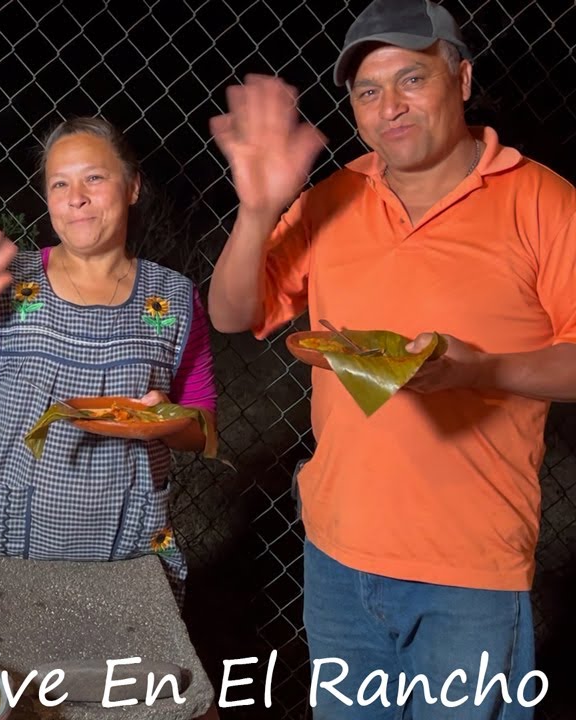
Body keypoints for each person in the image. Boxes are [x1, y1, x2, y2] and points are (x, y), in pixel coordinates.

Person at [207, 0, 576, 717]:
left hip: (470, 569)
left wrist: (483, 371)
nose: (389, 108)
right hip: (339, 560)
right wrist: (255, 211)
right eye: (367, 92)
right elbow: (232, 312)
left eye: (412, 79)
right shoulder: (336, 195)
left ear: (462, 79)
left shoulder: (542, 201)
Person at [0, 116, 218, 646]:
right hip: (9, 540)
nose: (76, 197)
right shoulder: (9, 284)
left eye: (94, 178)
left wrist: (163, 421)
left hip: (124, 546)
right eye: (59, 183)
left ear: (133, 186)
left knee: (110, 694)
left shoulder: (175, 298)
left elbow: (204, 430)